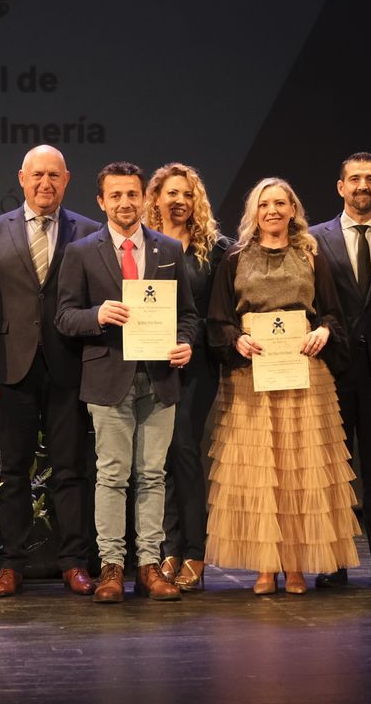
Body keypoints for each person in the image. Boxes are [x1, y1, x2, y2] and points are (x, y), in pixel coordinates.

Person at [207, 177, 360, 595]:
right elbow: (218, 320)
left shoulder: (311, 255)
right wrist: (236, 338)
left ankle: (294, 566)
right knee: (260, 475)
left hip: (304, 375)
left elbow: (331, 314)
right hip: (252, 376)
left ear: (293, 210)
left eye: (280, 203)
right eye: (264, 204)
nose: (272, 210)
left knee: (298, 471)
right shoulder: (235, 258)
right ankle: (264, 568)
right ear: (253, 213)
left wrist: (325, 333)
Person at [55, 162, 200, 604]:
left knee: (153, 475)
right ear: (101, 202)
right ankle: (112, 568)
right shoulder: (82, 252)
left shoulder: (169, 249)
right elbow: (63, 315)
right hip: (107, 377)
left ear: (145, 198)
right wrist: (96, 315)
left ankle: (150, 567)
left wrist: (184, 343)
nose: (124, 203)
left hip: (159, 378)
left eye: (132, 194)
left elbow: (189, 316)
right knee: (113, 475)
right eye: (115, 195)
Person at [0, 146, 101, 597]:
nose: (45, 184)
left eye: (54, 176)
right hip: (11, 367)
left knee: (71, 471)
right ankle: (12, 563)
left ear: (67, 180)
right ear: (21, 178)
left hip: (70, 367)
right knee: (14, 474)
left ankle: (73, 562)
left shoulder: (88, 230)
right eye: (37, 175)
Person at [307, 153, 371, 589]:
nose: (362, 185)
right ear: (340, 187)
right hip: (332, 371)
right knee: (333, 474)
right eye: (354, 179)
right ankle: (334, 564)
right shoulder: (312, 240)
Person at [143, 162, 232, 592]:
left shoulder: (215, 250)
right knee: (159, 458)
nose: (179, 201)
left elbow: (218, 314)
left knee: (184, 450)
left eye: (186, 194)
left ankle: (195, 552)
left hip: (195, 367)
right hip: (149, 365)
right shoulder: (145, 245)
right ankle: (168, 550)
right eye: (170, 193)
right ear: (155, 198)